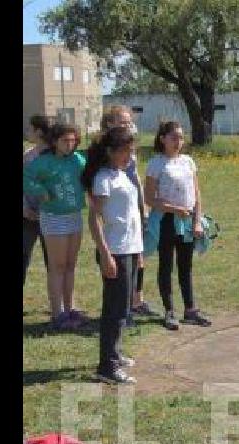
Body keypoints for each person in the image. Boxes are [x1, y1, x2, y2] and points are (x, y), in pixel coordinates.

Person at [82, 126, 141, 384]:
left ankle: (115, 353)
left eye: (132, 149)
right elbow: (94, 219)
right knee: (114, 310)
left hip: (128, 248)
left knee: (123, 308)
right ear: (110, 151)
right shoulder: (103, 177)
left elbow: (131, 215)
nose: (130, 155)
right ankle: (107, 366)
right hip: (114, 250)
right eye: (125, 150)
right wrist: (105, 254)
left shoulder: (121, 174)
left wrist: (138, 252)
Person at [144, 121, 212, 330]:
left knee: (186, 266)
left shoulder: (188, 161)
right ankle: (169, 311)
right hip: (166, 221)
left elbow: (196, 193)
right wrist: (174, 209)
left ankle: (190, 310)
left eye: (181, 137)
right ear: (162, 138)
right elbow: (149, 198)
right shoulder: (156, 163)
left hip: (188, 221)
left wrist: (197, 219)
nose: (178, 141)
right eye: (174, 137)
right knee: (166, 265)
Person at [23, 123, 89, 331]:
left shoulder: (77, 160)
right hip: (53, 217)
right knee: (57, 266)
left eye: (73, 141)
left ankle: (70, 308)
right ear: (54, 141)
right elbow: (26, 178)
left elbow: (89, 176)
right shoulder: (43, 162)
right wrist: (40, 191)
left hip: (74, 216)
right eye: (65, 141)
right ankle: (57, 313)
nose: (69, 145)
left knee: (70, 265)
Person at [98, 106, 159, 326]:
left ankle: (136, 300)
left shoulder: (129, 149)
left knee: (139, 258)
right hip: (118, 209)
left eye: (128, 122)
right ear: (109, 123)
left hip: (134, 204)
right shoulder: (107, 151)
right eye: (120, 121)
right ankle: (122, 309)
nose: (125, 125)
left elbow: (136, 179)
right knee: (122, 264)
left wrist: (143, 206)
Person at [23, 115, 50, 291]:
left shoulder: (55, 156)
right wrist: (24, 208)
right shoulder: (27, 156)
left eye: (29, 129)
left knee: (54, 260)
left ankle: (59, 303)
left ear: (38, 131)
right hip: (27, 216)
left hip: (51, 216)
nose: (27, 132)